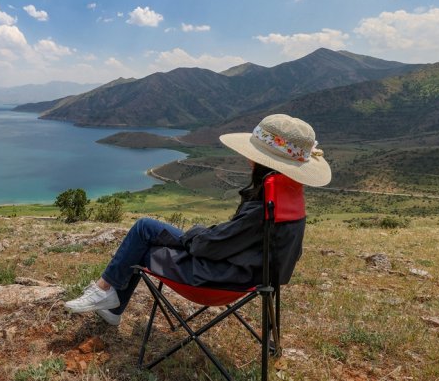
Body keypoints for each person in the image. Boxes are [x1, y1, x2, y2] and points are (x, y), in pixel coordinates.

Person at [65, 114, 331, 325]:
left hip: (216, 279)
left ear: (260, 160)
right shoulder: (286, 197)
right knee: (148, 230)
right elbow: (237, 241)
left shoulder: (262, 208)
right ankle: (110, 302)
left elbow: (211, 246)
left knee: (144, 232)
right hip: (250, 276)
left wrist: (194, 235)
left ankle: (106, 293)